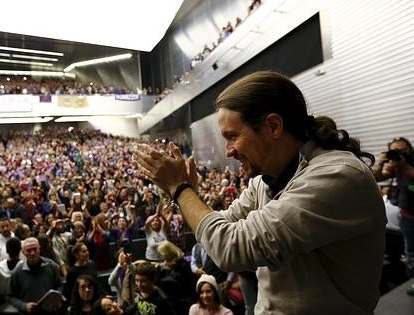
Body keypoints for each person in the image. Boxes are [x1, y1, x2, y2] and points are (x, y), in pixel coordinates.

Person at [134, 71, 386, 313]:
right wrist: (189, 195)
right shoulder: (263, 182)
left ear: (273, 126)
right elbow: (214, 239)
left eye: (232, 136)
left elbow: (230, 248)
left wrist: (180, 189)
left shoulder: (337, 177)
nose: (228, 151)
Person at [372, 137, 414, 282]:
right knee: (411, 254)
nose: (399, 154)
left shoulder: (409, 163)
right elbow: (375, 177)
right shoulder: (395, 165)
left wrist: (404, 165)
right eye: (395, 151)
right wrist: (382, 161)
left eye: (402, 150)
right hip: (407, 216)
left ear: (410, 149)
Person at [8, 237, 64, 315]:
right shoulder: (17, 272)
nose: (32, 253)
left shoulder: (51, 266)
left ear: (39, 249)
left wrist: (57, 298)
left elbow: (60, 285)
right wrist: (24, 306)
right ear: (23, 252)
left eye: (35, 249)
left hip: (50, 311)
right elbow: (10, 296)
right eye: (29, 250)